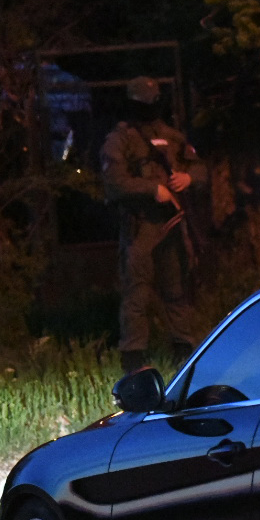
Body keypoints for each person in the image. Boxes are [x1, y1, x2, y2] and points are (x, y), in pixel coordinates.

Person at [101, 77, 208, 372]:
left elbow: (200, 169)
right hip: (140, 226)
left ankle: (183, 352)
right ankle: (134, 358)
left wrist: (188, 178)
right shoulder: (120, 139)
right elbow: (114, 182)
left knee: (177, 289)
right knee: (137, 292)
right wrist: (152, 189)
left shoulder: (172, 136)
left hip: (172, 225)